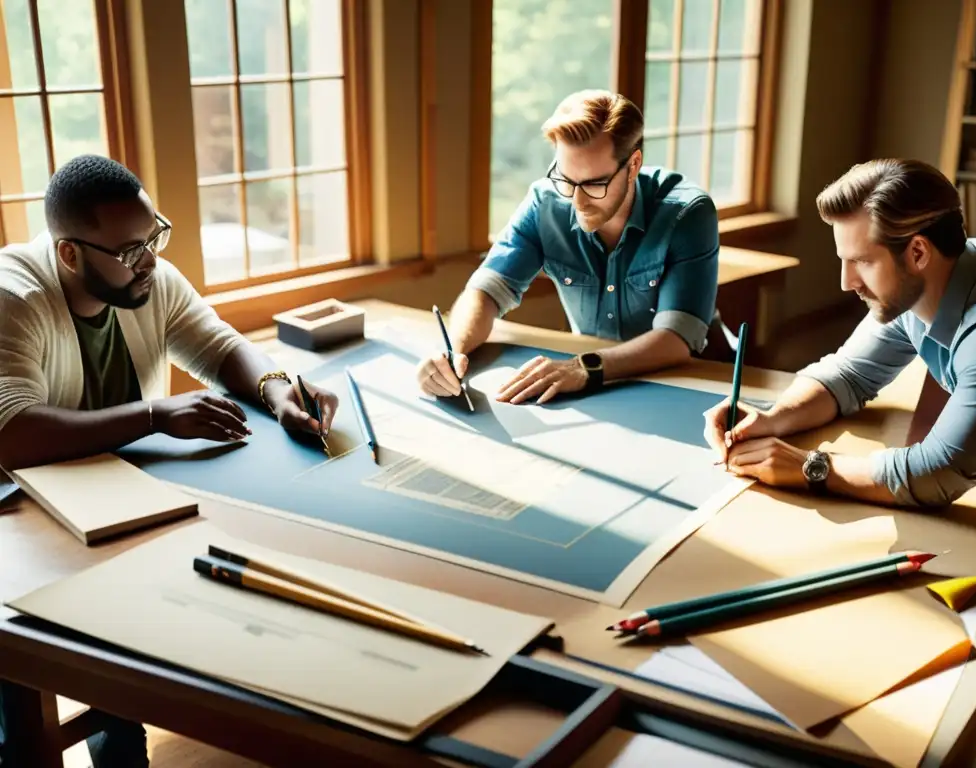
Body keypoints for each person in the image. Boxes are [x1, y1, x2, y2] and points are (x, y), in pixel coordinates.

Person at [0, 154, 340, 767]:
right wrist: (153, 417)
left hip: (109, 496)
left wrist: (280, 393)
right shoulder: (13, 297)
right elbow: (11, 433)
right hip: (18, 520)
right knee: (28, 708)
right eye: (129, 249)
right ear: (70, 254)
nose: (150, 259)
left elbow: (219, 345)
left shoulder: (146, 277)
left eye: (154, 233)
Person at [703, 158, 976, 508]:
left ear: (918, 251)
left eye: (863, 261)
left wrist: (809, 466)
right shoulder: (928, 281)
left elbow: (939, 473)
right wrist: (772, 416)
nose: (847, 282)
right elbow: (848, 375)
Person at [415, 89, 720, 405]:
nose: (577, 200)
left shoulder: (688, 213)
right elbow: (486, 291)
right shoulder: (545, 204)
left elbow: (677, 339)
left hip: (690, 385)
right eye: (565, 179)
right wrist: (453, 352)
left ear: (633, 165)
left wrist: (583, 367)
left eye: (593, 184)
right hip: (594, 388)